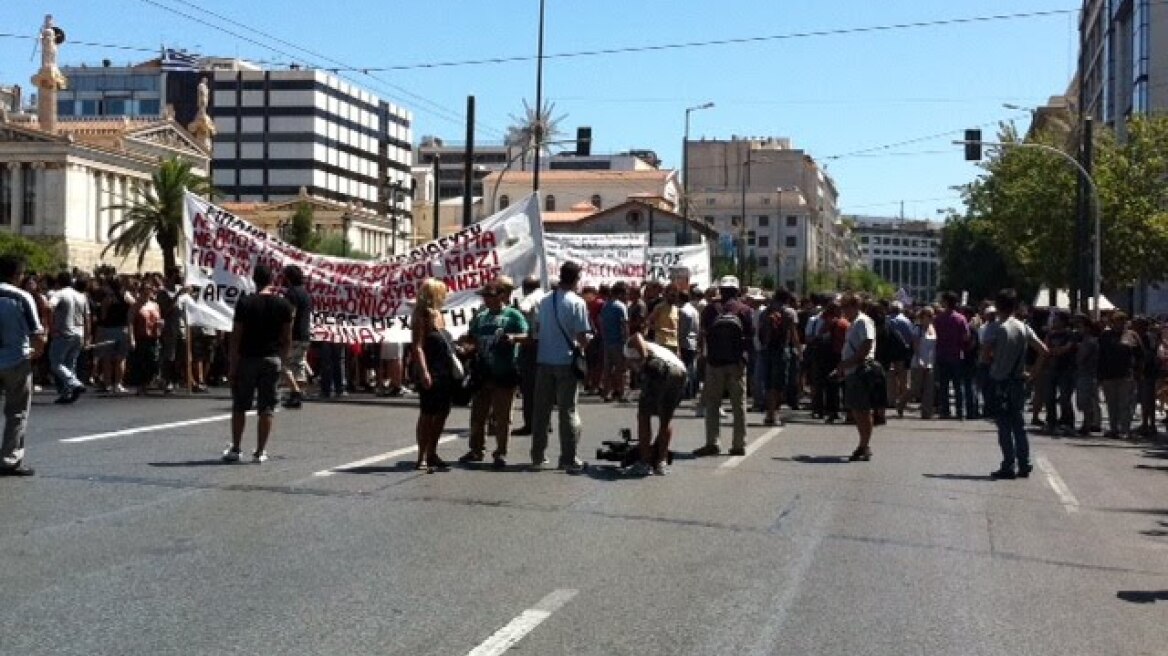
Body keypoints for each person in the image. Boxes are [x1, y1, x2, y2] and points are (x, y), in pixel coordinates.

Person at [222, 265, 293, 464]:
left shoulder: (245, 303)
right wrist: (283, 361)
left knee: (240, 406)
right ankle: (260, 451)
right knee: (267, 407)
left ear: (255, 280)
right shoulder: (283, 305)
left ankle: (236, 448)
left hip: (247, 359)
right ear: (272, 281)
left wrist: (232, 365)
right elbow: (287, 338)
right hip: (271, 360)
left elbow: (236, 337)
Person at [530, 261, 592, 473]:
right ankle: (568, 457)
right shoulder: (577, 302)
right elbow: (582, 336)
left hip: (544, 359)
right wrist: (586, 342)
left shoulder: (544, 301)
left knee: (541, 411)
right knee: (567, 411)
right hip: (566, 361)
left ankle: (537, 455)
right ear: (576, 278)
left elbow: (536, 331)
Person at [460, 281, 528, 469]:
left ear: (502, 296)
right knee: (478, 414)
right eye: (484, 296)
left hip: (504, 372)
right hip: (483, 373)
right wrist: (465, 346)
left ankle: (500, 452)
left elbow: (526, 335)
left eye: (489, 295)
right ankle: (476, 449)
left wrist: (513, 338)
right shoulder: (481, 317)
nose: (486, 299)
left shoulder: (513, 315)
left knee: (502, 416)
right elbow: (471, 337)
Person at [981, 288, 1048, 480]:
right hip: (1019, 380)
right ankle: (1024, 463)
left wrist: (994, 360)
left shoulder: (995, 328)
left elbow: (985, 356)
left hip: (1000, 381)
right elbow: (1044, 350)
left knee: (1003, 425)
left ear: (998, 305)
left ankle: (1008, 464)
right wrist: (1032, 373)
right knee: (1018, 424)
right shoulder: (1023, 327)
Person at [693, 275, 754, 457]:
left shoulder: (710, 310)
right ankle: (739, 444)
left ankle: (712, 443)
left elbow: (703, 336)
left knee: (713, 404)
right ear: (737, 291)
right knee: (738, 405)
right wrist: (744, 361)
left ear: (721, 290)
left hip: (714, 363)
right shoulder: (745, 310)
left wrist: (705, 358)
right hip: (736, 364)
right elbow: (750, 338)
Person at [0, 255, 45, 477]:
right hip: (15, 359)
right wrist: (35, 353)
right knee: (16, 411)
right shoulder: (21, 297)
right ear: (17, 275)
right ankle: (9, 459)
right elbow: (37, 333)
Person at [623, 330, 687, 476]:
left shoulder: (627, 347)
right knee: (665, 418)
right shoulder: (657, 350)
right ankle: (661, 462)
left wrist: (644, 360)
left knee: (643, 416)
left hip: (661, 369)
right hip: (679, 372)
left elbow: (637, 335)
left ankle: (645, 462)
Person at [411, 279, 456, 472]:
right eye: (443, 292)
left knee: (443, 412)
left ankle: (433, 452)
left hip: (445, 370)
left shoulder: (439, 315)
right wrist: (424, 371)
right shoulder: (422, 315)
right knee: (428, 413)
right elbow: (418, 346)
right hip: (430, 369)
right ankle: (421, 455)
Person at [832, 294, 879, 462]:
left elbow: (866, 345)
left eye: (845, 307)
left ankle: (864, 445)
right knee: (856, 409)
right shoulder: (853, 323)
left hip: (861, 369)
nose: (843, 310)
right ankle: (863, 444)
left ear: (854, 306)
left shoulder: (863, 322)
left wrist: (849, 363)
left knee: (862, 409)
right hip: (852, 370)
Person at [759, 288, 799, 426]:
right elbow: (793, 334)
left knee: (769, 381)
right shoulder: (789, 312)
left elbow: (760, 331)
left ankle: (769, 414)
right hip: (782, 349)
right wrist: (799, 350)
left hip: (766, 349)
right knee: (779, 383)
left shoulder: (765, 312)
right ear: (787, 299)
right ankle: (774, 413)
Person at [49, 271, 90, 404]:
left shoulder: (59, 294)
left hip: (64, 332)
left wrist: (51, 326)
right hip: (79, 333)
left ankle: (75, 383)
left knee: (56, 363)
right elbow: (87, 317)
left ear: (58, 282)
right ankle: (67, 393)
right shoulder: (81, 296)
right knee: (69, 364)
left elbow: (50, 307)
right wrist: (87, 336)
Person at [1098, 312, 1138, 439]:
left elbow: (1140, 354)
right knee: (1111, 404)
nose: (1120, 323)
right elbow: (1101, 355)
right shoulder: (1105, 335)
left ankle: (1125, 429)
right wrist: (1099, 375)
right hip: (1108, 375)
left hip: (1126, 375)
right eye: (1117, 321)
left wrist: (1138, 372)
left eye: (1122, 321)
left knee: (1125, 404)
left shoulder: (1131, 335)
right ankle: (1114, 428)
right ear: (1112, 322)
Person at [512, 276, 542, 436]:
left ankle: (530, 423)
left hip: (530, 344)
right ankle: (544, 421)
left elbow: (523, 308)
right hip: (544, 345)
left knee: (529, 388)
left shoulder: (530, 298)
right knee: (542, 387)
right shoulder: (546, 297)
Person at [933, 291, 971, 420]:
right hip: (956, 355)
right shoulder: (961, 319)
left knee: (943, 385)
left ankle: (945, 411)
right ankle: (960, 411)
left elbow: (934, 336)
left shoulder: (938, 319)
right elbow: (966, 337)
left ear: (945, 302)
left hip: (942, 355)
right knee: (958, 385)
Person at [280, 265, 312, 409]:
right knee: (298, 366)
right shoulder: (305, 293)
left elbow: (290, 315)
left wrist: (286, 334)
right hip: (305, 335)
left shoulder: (291, 294)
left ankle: (296, 392)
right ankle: (296, 395)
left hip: (295, 335)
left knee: (283, 364)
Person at [95, 277, 133, 395]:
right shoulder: (126, 296)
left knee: (107, 358)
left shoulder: (108, 298)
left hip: (109, 329)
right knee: (121, 358)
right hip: (123, 328)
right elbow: (134, 306)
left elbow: (103, 315)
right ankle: (118, 383)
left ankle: (108, 383)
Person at [129, 281, 164, 396]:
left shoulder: (155, 305)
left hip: (153, 337)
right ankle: (140, 386)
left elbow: (159, 318)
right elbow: (130, 323)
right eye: (144, 291)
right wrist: (132, 339)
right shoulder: (135, 306)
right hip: (141, 337)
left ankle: (148, 380)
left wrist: (160, 325)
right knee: (140, 362)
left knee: (153, 361)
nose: (147, 293)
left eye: (149, 291)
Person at [599, 281, 631, 403]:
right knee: (622, 369)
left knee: (607, 369)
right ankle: (622, 393)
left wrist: (604, 337)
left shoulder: (606, 306)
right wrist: (627, 342)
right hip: (619, 342)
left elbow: (601, 323)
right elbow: (624, 325)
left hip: (607, 342)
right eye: (626, 293)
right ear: (620, 294)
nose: (627, 296)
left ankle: (607, 393)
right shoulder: (621, 307)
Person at [1073, 315, 1101, 436]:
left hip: (1088, 374)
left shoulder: (1090, 341)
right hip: (1085, 373)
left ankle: (1088, 424)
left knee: (1086, 400)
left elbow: (1081, 358)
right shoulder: (1085, 340)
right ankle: (1088, 423)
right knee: (1086, 400)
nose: (1078, 329)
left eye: (1080, 326)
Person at [887, 301, 916, 416]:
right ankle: (904, 399)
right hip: (903, 353)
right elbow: (911, 337)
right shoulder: (906, 321)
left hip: (889, 352)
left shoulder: (887, 320)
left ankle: (891, 400)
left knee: (891, 376)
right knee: (903, 377)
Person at [912, 306, 938, 419]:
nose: (932, 318)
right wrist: (920, 360)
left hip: (930, 361)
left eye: (932, 315)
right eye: (929, 315)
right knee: (916, 389)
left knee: (929, 388)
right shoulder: (917, 329)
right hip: (919, 362)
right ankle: (902, 402)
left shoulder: (933, 328)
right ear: (922, 317)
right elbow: (916, 347)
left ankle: (926, 413)